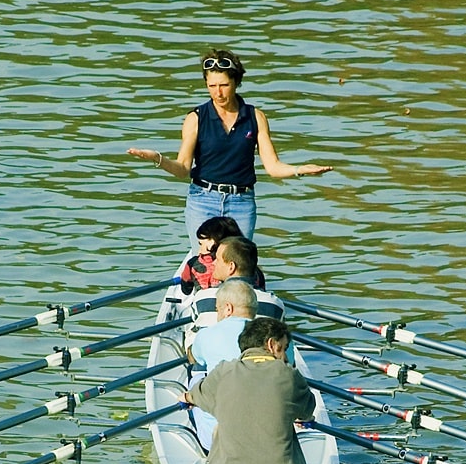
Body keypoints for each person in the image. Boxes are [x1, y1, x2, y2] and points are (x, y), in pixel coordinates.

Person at [127, 48, 334, 246]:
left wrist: (299, 170)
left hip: (241, 202)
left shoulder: (255, 117)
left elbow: (272, 167)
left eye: (224, 85)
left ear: (236, 81)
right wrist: (157, 159)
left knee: (237, 264)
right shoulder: (195, 118)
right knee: (207, 265)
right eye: (212, 86)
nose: (218, 93)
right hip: (203, 200)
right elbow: (183, 168)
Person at [185, 317, 317, 464]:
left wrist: (186, 398)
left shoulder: (223, 372)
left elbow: (193, 396)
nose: (286, 357)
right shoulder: (289, 375)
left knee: (217, 430)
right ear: (272, 345)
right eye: (285, 348)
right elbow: (307, 411)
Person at [186, 279, 258, 372]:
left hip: (219, 385)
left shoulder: (206, 335)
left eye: (217, 309)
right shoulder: (271, 335)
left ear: (228, 308)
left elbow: (192, 358)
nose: (217, 314)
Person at [179, 216, 244, 295]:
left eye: (201, 244)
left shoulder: (192, 264)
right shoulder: (247, 265)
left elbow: (186, 290)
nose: (199, 251)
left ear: (212, 242)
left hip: (204, 304)